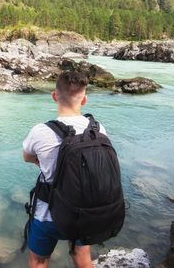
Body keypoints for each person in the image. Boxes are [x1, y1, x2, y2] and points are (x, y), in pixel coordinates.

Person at [22, 71, 107, 268]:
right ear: (84, 100)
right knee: (81, 255)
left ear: (54, 96)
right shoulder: (98, 128)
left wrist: (47, 165)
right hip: (86, 212)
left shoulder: (41, 131)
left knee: (39, 261)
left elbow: (27, 157)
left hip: (47, 214)